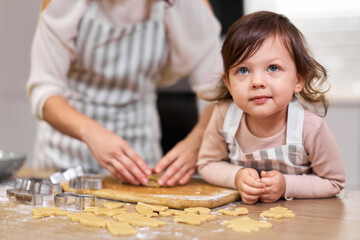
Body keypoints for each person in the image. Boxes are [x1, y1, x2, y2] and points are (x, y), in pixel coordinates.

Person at [27, 0, 222, 186]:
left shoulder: (184, 5)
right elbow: (44, 89)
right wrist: (91, 132)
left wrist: (197, 140)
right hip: (65, 153)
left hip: (139, 153)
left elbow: (218, 89)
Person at [197, 11, 346, 204]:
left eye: (273, 68)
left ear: (298, 80)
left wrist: (286, 185)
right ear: (228, 84)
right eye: (243, 70)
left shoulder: (310, 127)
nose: (257, 82)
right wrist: (236, 176)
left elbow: (334, 181)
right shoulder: (224, 115)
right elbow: (207, 164)